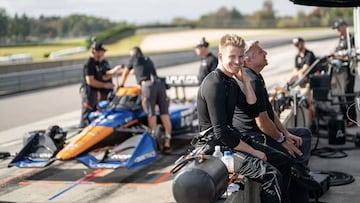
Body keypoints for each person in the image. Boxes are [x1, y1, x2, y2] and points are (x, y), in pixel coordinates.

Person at [196, 33, 291, 203]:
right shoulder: (214, 83)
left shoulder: (231, 81)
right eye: (232, 57)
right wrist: (254, 152)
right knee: (271, 175)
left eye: (240, 57)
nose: (238, 61)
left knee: (284, 161)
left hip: (232, 140)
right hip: (216, 147)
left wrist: (245, 81)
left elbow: (253, 110)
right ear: (220, 56)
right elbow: (221, 132)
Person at [233, 40, 312, 203]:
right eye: (261, 52)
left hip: (263, 131)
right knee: (286, 157)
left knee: (303, 135)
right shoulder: (251, 81)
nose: (266, 53)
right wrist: (282, 141)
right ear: (248, 60)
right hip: (253, 136)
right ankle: (291, 191)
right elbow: (262, 122)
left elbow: (270, 112)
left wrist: (286, 133)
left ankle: (299, 178)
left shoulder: (256, 76)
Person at [119, 46, 172, 153]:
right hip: (159, 85)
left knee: (151, 114)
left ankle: (154, 143)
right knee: (165, 115)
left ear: (133, 53)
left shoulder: (134, 58)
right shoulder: (147, 59)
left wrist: (121, 84)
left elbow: (126, 72)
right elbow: (140, 71)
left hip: (148, 86)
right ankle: (167, 143)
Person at [79, 42, 122, 128]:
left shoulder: (102, 62)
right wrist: (105, 85)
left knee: (100, 113)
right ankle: (82, 130)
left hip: (100, 94)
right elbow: (90, 81)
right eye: (101, 51)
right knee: (87, 115)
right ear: (95, 52)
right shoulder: (89, 63)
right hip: (89, 93)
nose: (103, 53)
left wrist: (115, 71)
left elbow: (104, 75)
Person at [330, 19, 356, 127]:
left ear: (344, 26)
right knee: (340, 95)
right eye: (336, 28)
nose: (337, 30)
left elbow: (351, 55)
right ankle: (344, 117)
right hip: (338, 71)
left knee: (347, 95)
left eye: (338, 27)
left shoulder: (351, 39)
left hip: (346, 71)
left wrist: (337, 56)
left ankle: (351, 119)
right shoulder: (340, 40)